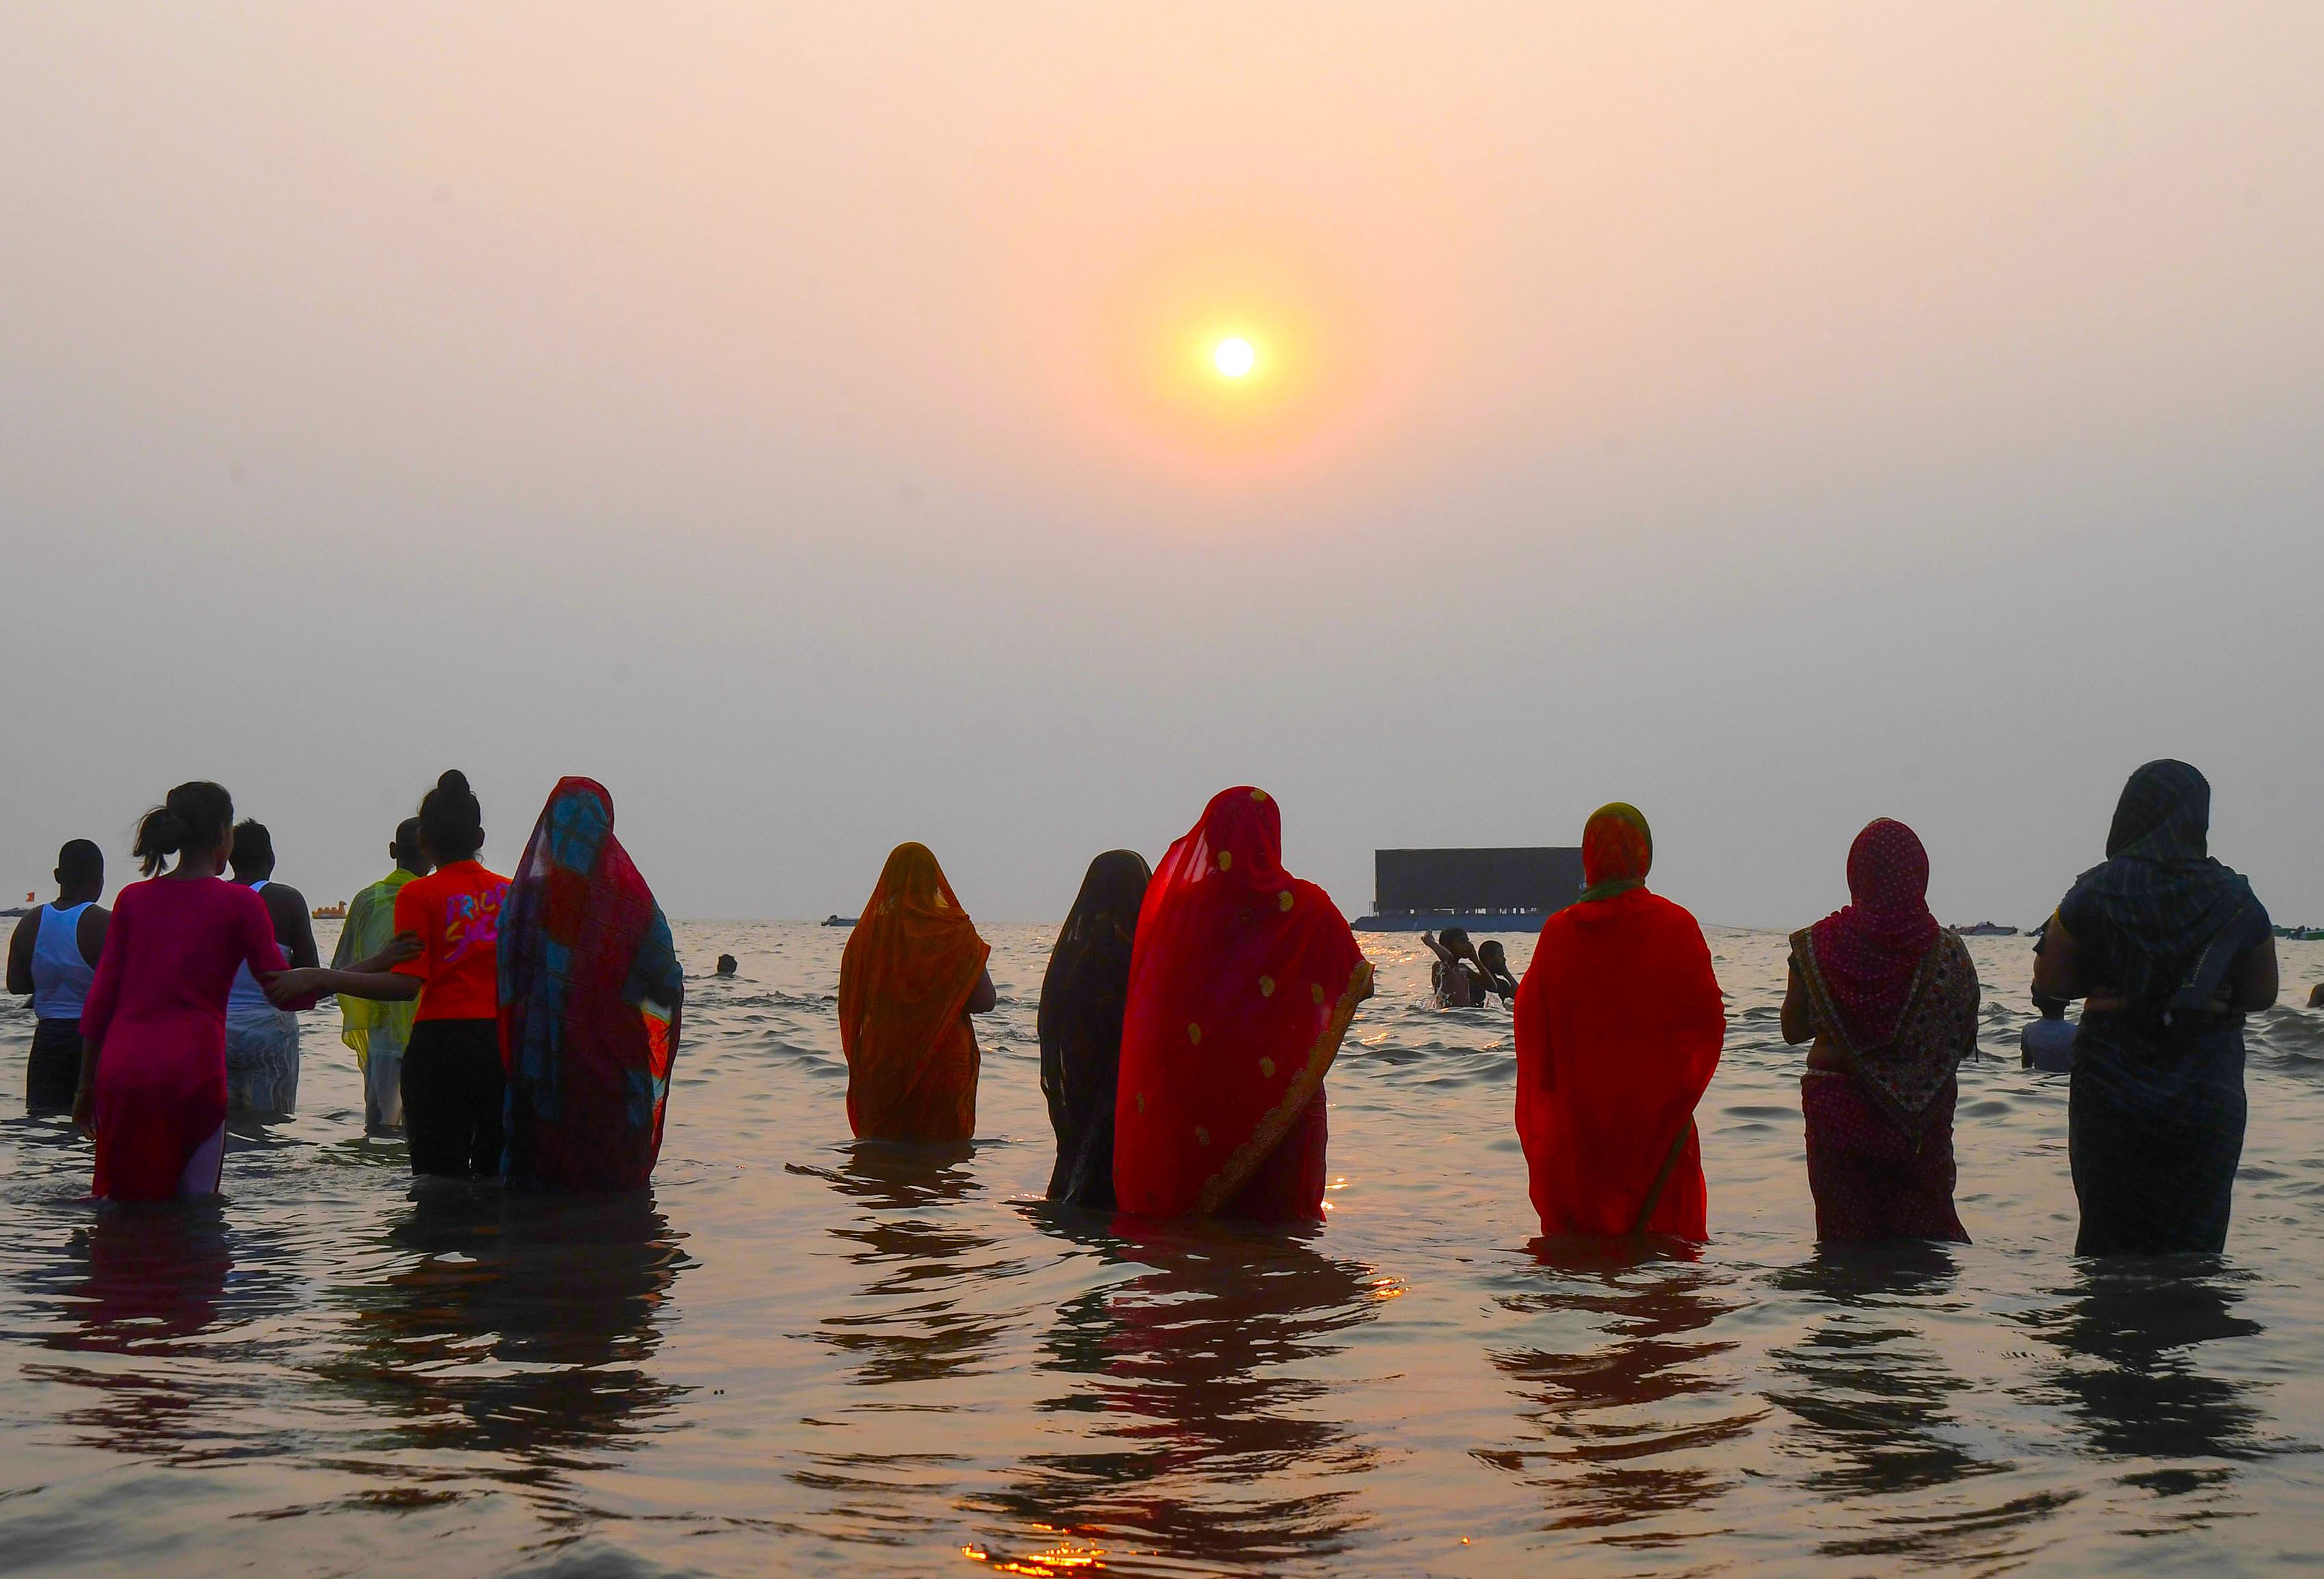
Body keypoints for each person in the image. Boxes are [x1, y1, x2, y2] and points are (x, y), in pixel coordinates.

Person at [2033, 760, 2276, 1256]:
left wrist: (2112, 983)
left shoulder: (2096, 889)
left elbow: (2051, 982)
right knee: (2196, 1249)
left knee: (2108, 1247)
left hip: (2113, 1091)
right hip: (2205, 1089)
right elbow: (2262, 993)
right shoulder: (2235, 897)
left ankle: (2112, 1330)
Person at [1113, 787, 1374, 1222]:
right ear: (1272, 835)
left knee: (1206, 1235)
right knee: (1284, 1234)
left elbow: (1157, 1013)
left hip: (1196, 1098)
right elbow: (1358, 984)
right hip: (1284, 1097)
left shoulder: (1182, 910)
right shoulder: (1306, 908)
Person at [70, 782, 319, 1199]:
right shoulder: (241, 905)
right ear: (224, 835)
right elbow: (287, 993)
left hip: (122, 1071)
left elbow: (100, 1003)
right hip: (192, 1075)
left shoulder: (132, 900)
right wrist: (351, 975)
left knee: (118, 1209)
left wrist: (84, 1088)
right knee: (196, 1215)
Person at [269, 771, 508, 1178]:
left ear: (424, 842)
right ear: (480, 838)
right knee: (494, 1172)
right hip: (502, 1048)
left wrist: (324, 977)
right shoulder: (511, 892)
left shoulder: (419, 893)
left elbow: (404, 986)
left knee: (437, 1179)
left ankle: (435, 1242)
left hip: (441, 1048)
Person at [1513, 803, 1726, 1239]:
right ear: (1645, 855)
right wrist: (1671, 1098)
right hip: (1659, 1131)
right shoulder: (1677, 926)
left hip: (1581, 1136)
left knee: (1583, 1266)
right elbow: (1708, 1025)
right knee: (1665, 1271)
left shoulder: (1559, 934)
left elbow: (1534, 1033)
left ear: (1588, 858)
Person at [1781, 819, 1979, 1243]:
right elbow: (1962, 1039)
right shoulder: (1951, 952)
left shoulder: (1817, 944)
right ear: (1921, 874)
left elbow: (1792, 1030)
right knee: (1927, 1249)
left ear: (1856, 874)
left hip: (1838, 1116)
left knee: (1844, 1252)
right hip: (1921, 1128)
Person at [498, 778, 684, 1191]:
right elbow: (666, 983)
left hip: (538, 1083)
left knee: (542, 1209)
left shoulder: (523, 904)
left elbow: (509, 994)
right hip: (613, 1080)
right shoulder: (630, 902)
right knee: (618, 1210)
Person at [837, 843, 996, 1142]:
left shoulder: (866, 937)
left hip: (882, 1058)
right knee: (942, 1162)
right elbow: (986, 1000)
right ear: (936, 881)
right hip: (943, 1062)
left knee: (883, 1160)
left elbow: (850, 1005)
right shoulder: (953, 932)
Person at [1038, 849, 1151, 1209]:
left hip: (1082, 1088)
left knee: (1081, 1180)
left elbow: (1052, 1029)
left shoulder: (1072, 955)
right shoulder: (1140, 955)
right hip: (1128, 1097)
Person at [332, 817, 430, 1133]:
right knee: (425, 1132)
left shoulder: (367, 900)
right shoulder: (435, 898)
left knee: (381, 1131)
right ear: (431, 852)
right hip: (432, 1030)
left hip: (383, 1032)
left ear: (393, 851)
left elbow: (342, 971)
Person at [220, 821, 319, 1115]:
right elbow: (309, 973)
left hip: (216, 1032)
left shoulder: (212, 899)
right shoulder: (287, 900)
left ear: (230, 859)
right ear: (271, 858)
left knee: (221, 1130)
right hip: (271, 1032)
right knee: (272, 1126)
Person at [7, 840, 110, 1110]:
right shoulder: (104, 923)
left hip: (48, 1040)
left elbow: (16, 985)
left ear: (57, 876)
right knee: (92, 1128)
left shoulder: (30, 922)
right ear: (100, 880)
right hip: (95, 1042)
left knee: (44, 1128)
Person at [1422, 927, 1491, 1007]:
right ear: (1446, 946)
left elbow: (1491, 987)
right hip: (1449, 1014)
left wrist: (1475, 960)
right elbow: (1449, 959)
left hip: (1464, 1013)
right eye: (1461, 942)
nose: (1467, 945)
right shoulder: (1439, 966)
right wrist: (1431, 943)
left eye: (1467, 941)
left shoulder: (1463, 968)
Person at [2021, 992, 2077, 1072]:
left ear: (2035, 1002)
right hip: (2069, 1082)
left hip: (2040, 1082)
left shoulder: (2029, 1031)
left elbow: (2026, 1067)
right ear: (2067, 1001)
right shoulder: (2077, 1032)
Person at [1477, 940, 1519, 1006]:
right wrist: (1506, 973)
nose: (1504, 959)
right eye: (1501, 956)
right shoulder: (1477, 981)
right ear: (1490, 959)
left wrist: (1507, 974)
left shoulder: (1503, 985)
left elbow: (1521, 997)